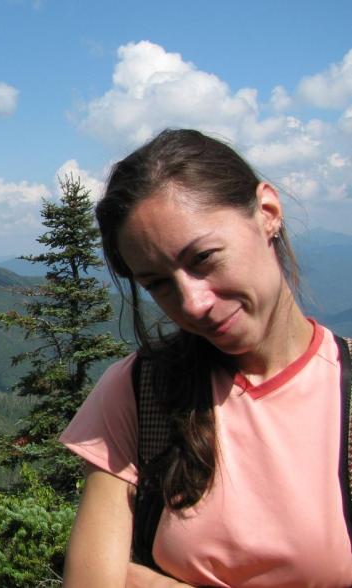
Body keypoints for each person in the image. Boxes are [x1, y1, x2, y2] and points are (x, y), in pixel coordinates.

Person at [60, 128, 352, 587]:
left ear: (268, 213)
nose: (192, 303)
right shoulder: (141, 391)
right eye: (158, 283)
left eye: (204, 258)